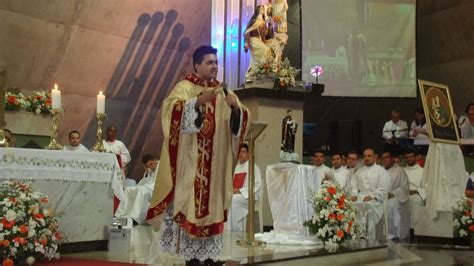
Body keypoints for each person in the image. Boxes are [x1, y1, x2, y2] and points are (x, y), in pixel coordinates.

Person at [146, 45, 249, 265]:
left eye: (216, 62)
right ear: (197, 65)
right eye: (209, 62)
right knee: (190, 208)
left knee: (211, 211)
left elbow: (239, 123)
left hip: (214, 171)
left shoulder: (224, 92)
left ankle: (209, 258)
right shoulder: (184, 88)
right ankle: (192, 259)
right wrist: (198, 102)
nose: (214, 66)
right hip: (190, 167)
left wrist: (236, 110)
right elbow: (170, 112)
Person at [350, 148, 391, 239]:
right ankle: (356, 236)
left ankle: (369, 237)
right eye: (365, 156)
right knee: (350, 205)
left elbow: (383, 189)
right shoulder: (359, 171)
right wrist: (354, 194)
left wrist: (372, 196)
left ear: (375, 157)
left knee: (368, 206)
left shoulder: (381, 171)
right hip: (360, 197)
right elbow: (353, 185)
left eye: (369, 156)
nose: (367, 158)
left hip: (375, 200)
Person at [226, 144, 261, 232]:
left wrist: (240, 191)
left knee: (233, 200)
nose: (241, 154)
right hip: (237, 196)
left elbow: (257, 185)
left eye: (243, 152)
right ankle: (227, 230)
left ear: (248, 154)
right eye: (239, 152)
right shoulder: (236, 168)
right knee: (226, 199)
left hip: (248, 197)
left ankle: (236, 230)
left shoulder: (253, 167)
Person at [115, 154, 159, 225]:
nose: (150, 167)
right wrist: (147, 174)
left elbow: (158, 182)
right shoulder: (149, 170)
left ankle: (135, 218)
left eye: (151, 164)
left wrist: (145, 186)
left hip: (156, 190)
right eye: (148, 166)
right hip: (147, 187)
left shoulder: (161, 167)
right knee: (128, 189)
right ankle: (120, 214)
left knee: (141, 190)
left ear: (154, 160)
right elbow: (143, 182)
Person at [382, 151, 410, 240]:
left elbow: (404, 188)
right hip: (381, 197)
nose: (385, 160)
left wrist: (392, 193)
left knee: (390, 205)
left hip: (395, 198)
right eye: (383, 158)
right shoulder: (380, 171)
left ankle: (392, 235)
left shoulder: (400, 171)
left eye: (387, 157)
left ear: (393, 158)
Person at [244, 5, 272, 77]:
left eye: (263, 8)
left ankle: (259, 72)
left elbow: (266, 34)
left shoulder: (263, 21)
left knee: (269, 52)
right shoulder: (254, 20)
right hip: (253, 40)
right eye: (261, 8)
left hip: (260, 40)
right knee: (266, 50)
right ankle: (261, 69)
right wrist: (246, 43)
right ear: (257, 10)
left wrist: (269, 25)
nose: (262, 9)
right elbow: (247, 32)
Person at [403, 149, 425, 231]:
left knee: (416, 200)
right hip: (403, 195)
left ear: (416, 157)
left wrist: (416, 191)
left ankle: (414, 230)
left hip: (416, 195)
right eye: (407, 157)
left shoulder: (423, 171)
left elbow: (426, 187)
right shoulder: (402, 171)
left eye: (411, 157)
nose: (409, 159)